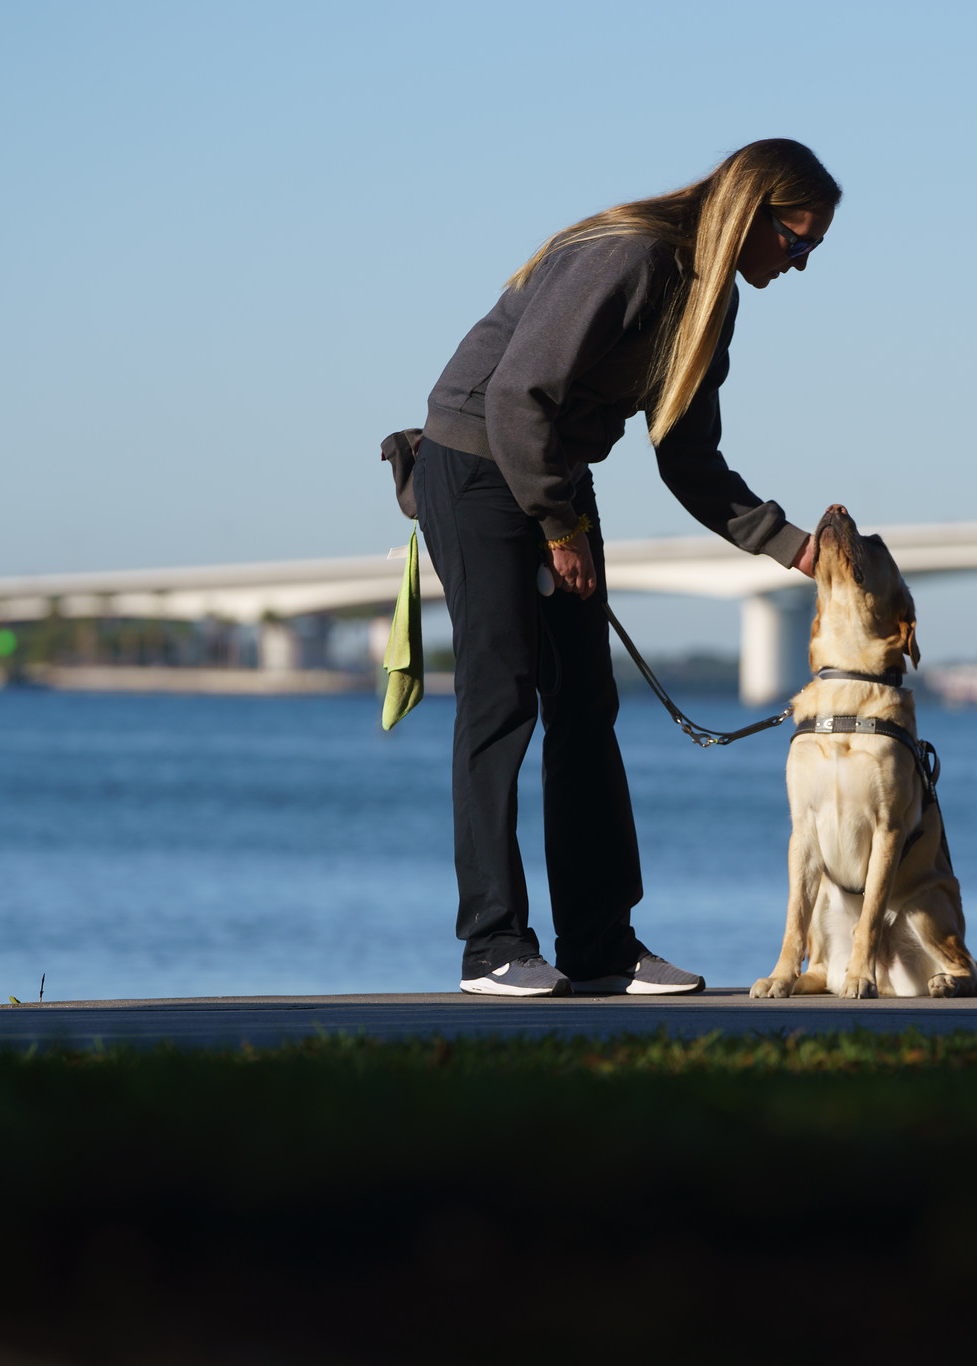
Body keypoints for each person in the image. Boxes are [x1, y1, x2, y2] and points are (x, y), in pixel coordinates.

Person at [412, 138, 840, 997]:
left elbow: (688, 457)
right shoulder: (635, 254)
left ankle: (599, 945)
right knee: (502, 701)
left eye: (812, 252)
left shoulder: (710, 303)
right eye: (797, 242)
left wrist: (795, 547)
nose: (800, 266)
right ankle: (493, 946)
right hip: (476, 465)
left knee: (588, 709)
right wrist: (557, 524)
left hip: (553, 480)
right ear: (751, 212)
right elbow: (514, 395)